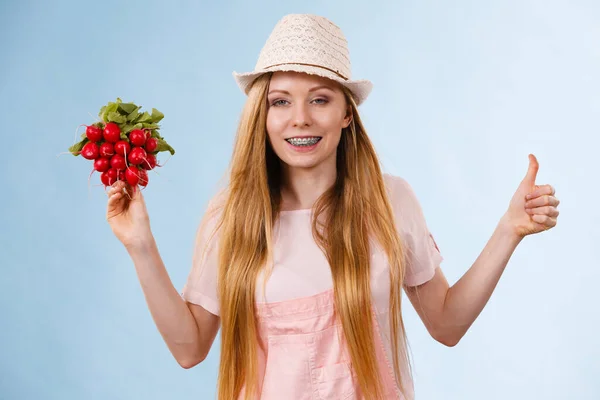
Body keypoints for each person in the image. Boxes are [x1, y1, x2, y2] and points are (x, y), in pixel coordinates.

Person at [105, 13, 560, 400]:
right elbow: (190, 349)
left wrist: (508, 230)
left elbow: (446, 323)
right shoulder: (231, 216)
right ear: (261, 117)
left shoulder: (390, 200)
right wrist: (140, 245)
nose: (299, 117)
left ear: (346, 114)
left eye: (319, 99)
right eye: (280, 101)